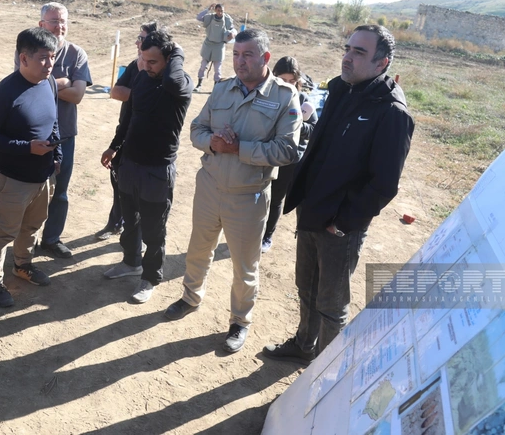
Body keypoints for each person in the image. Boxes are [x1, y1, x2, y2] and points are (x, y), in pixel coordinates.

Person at [262, 25, 414, 364]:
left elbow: (384, 184)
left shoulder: (392, 112)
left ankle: (322, 376)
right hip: (313, 212)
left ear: (381, 63)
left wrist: (344, 223)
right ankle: (304, 345)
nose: (347, 56)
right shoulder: (341, 90)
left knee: (331, 306)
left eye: (359, 52)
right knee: (306, 288)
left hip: (340, 226)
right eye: (348, 48)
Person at [164, 29, 302, 354]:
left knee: (244, 264)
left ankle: (240, 320)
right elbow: (197, 128)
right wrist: (211, 142)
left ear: (266, 58)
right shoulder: (223, 89)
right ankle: (190, 296)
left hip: (249, 195)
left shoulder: (284, 96)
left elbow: (287, 151)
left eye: (248, 55)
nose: (239, 61)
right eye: (236, 54)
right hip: (210, 188)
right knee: (199, 248)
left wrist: (240, 148)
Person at [100, 29, 192, 303]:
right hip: (130, 163)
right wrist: (114, 146)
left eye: (153, 61)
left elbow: (174, 80)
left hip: (157, 169)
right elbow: (128, 118)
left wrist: (177, 51)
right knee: (130, 221)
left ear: (168, 58)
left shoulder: (180, 84)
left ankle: (150, 277)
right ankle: (131, 263)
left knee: (154, 229)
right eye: (143, 59)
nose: (146, 65)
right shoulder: (141, 78)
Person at [0, 27, 61, 307]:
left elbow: (54, 121)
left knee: (32, 226)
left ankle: (22, 265)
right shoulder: (5, 92)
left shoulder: (48, 83)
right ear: (23, 58)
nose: (49, 64)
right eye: (42, 58)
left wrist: (56, 154)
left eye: (52, 57)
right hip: (13, 179)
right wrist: (26, 147)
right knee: (3, 233)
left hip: (43, 175)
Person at [34, 2, 92, 258]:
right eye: (54, 21)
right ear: (41, 25)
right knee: (33, 190)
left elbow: (78, 95)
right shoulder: (30, 48)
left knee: (60, 191)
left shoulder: (76, 54)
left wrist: (44, 83)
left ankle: (52, 239)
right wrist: (60, 83)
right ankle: (27, 241)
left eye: (63, 21)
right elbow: (25, 85)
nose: (60, 27)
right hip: (34, 133)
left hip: (65, 135)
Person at [96, 21, 159, 241]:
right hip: (125, 133)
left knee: (142, 193)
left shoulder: (168, 74)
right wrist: (141, 93)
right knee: (119, 182)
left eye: (141, 39)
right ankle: (115, 223)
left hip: (148, 143)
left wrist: (137, 93)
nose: (136, 42)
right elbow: (115, 91)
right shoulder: (135, 64)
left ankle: (138, 239)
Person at [261, 56, 317, 253]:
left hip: (289, 160)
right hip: (264, 155)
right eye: (283, 80)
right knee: (257, 195)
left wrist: (297, 125)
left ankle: (267, 236)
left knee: (275, 199)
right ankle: (252, 231)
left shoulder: (304, 101)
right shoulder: (265, 96)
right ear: (274, 77)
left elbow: (314, 131)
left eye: (292, 81)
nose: (288, 85)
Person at [194, 3, 236, 92]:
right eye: (218, 10)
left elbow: (233, 29)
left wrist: (233, 33)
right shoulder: (209, 17)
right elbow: (198, 17)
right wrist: (207, 9)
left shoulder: (227, 19)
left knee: (217, 69)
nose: (220, 13)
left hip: (219, 46)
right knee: (203, 66)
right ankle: (199, 85)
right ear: (215, 10)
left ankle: (215, 89)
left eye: (222, 11)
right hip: (208, 44)